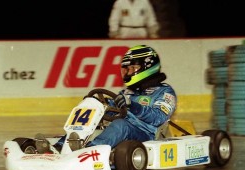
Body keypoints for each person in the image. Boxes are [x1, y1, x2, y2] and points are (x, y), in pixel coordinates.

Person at [46, 45, 176, 153]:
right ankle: (60, 146)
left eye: (132, 69)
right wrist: (100, 105)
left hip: (146, 134)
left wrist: (133, 106)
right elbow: (114, 110)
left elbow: (158, 117)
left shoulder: (165, 92)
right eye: (126, 69)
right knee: (92, 121)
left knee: (121, 125)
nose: (128, 73)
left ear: (147, 67)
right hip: (123, 131)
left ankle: (90, 150)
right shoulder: (127, 92)